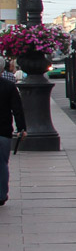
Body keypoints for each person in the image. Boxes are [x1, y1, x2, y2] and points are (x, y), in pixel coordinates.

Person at [0, 72, 26, 206]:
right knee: (2, 164)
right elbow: (17, 109)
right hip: (3, 131)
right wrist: (22, 128)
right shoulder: (9, 86)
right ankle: (1, 195)